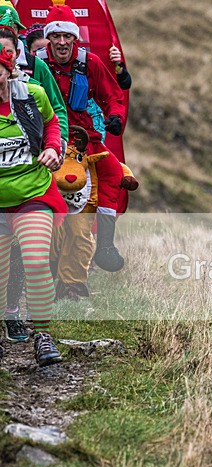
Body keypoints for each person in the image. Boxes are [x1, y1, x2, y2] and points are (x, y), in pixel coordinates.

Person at [37, 5, 126, 272]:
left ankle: (106, 245)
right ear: (48, 38)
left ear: (75, 37)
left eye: (67, 36)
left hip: (85, 139)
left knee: (113, 173)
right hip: (47, 139)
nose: (62, 42)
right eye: (56, 36)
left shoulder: (91, 62)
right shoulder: (37, 63)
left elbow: (113, 96)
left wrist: (116, 117)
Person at [0, 14, 68, 337]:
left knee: (35, 259)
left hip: (32, 191)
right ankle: (8, 317)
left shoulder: (33, 87)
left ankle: (41, 334)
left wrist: (55, 148)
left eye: (7, 53)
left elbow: (54, 116)